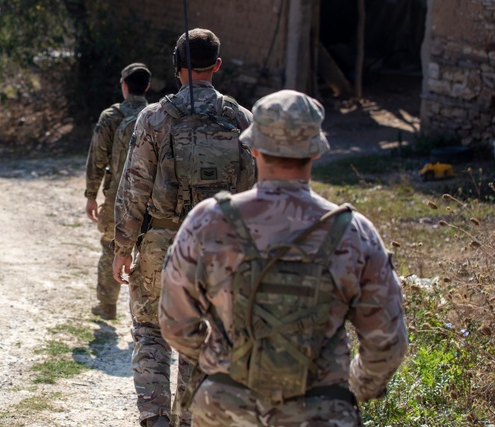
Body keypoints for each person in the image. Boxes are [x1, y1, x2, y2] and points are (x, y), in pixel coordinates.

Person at [159, 90, 408, 427]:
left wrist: (219, 365)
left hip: (225, 409)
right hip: (320, 412)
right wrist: (349, 390)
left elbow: (175, 323)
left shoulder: (209, 221)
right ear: (316, 152)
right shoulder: (354, 233)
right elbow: (387, 342)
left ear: (254, 148)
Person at [114, 28, 256, 427]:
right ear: (218, 66)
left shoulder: (154, 117)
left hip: (162, 245)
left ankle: (155, 418)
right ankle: (189, 419)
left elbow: (133, 187)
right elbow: (251, 192)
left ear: (177, 69)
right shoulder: (241, 119)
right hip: (218, 250)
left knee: (150, 332)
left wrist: (122, 248)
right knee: (202, 337)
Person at [84, 62, 152, 320]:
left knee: (111, 247)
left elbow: (96, 159)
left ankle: (107, 305)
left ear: (124, 86)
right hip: (151, 196)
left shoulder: (111, 116)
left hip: (116, 196)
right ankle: (145, 313)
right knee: (147, 253)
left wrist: (91, 195)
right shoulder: (156, 115)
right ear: (147, 87)